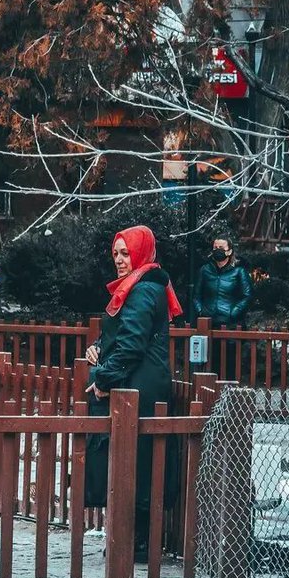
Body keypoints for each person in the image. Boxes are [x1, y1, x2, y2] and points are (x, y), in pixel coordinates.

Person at [84, 226, 182, 560]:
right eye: (116, 254)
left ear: (140, 252)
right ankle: (129, 539)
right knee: (130, 460)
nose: (120, 260)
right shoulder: (138, 287)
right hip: (135, 383)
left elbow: (132, 343)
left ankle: (137, 543)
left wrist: (104, 378)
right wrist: (97, 348)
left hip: (139, 387)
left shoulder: (143, 290)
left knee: (136, 464)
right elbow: (119, 336)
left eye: (126, 253)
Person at [192, 236, 254, 378]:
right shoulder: (205, 270)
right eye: (215, 248)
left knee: (229, 366)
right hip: (209, 323)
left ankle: (229, 395)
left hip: (231, 324)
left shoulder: (239, 271)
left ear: (229, 251)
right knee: (208, 365)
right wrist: (201, 311)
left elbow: (248, 295)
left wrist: (234, 312)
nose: (217, 251)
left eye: (221, 248)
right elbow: (196, 295)